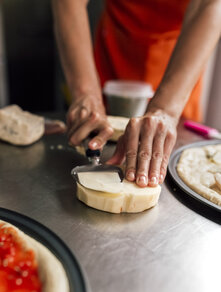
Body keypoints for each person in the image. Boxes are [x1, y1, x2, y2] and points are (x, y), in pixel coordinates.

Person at [52, 0, 221, 188]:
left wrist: (165, 110)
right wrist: (86, 92)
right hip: (116, 45)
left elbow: (208, 4)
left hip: (179, 59)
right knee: (93, 126)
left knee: (164, 144)